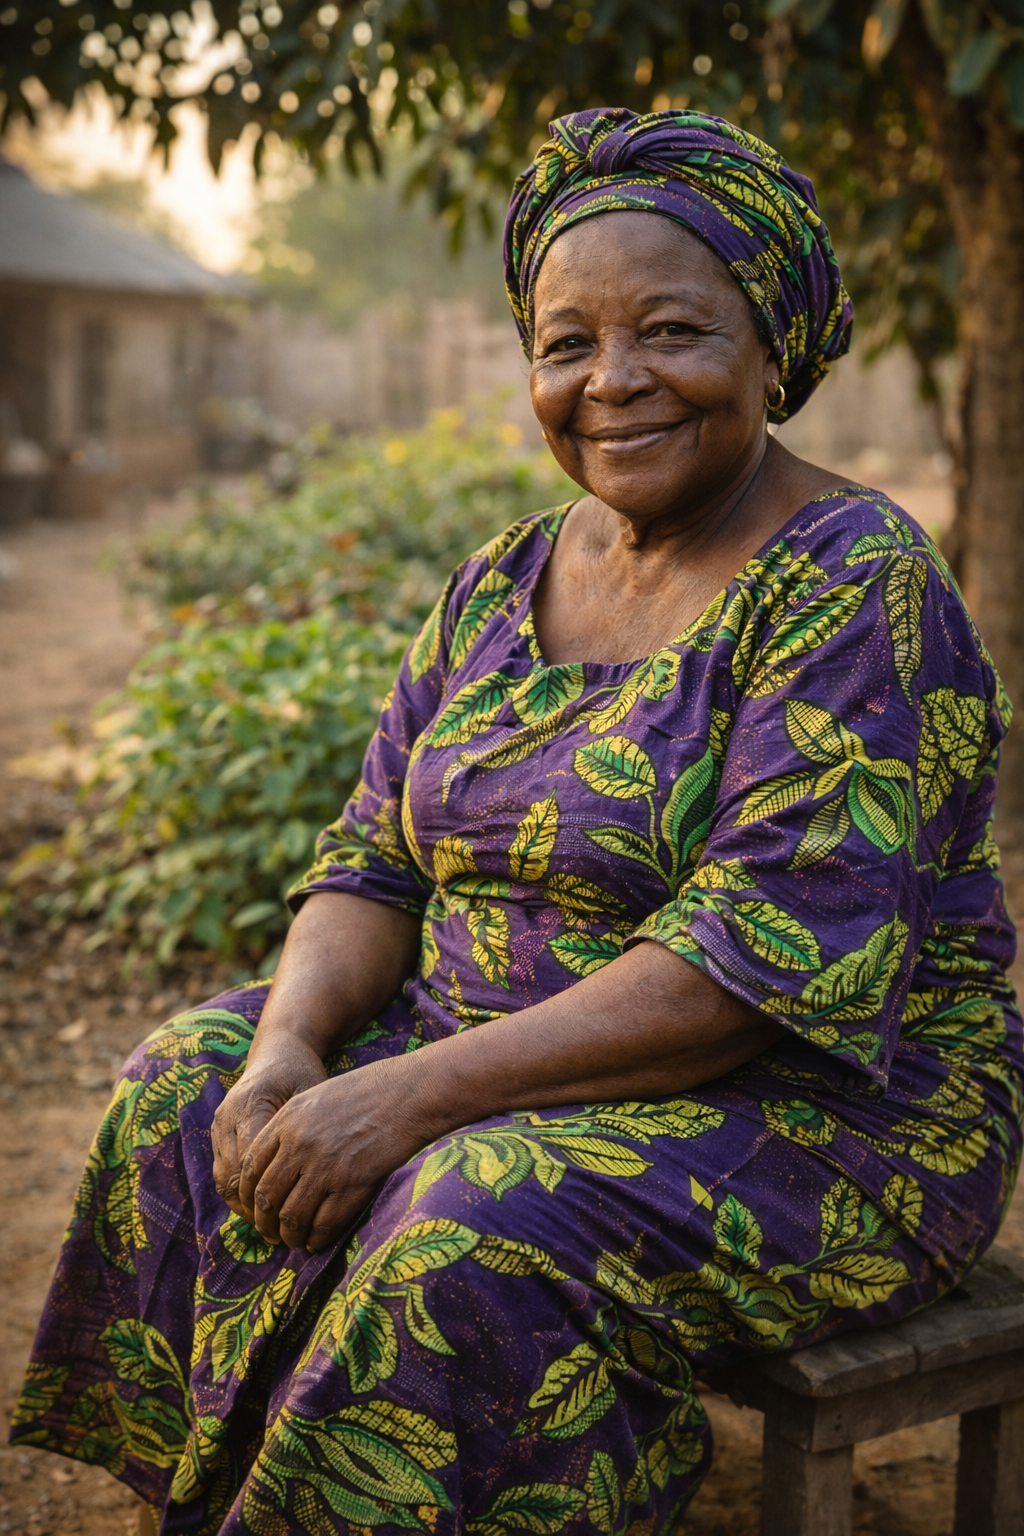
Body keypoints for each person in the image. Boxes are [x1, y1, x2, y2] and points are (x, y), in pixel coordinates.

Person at [11, 109, 1022, 1535]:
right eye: (565, 344)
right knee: (194, 1082)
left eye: (672, 330)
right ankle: (238, 1494)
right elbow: (371, 859)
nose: (612, 381)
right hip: (492, 1045)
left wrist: (405, 1095)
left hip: (820, 1120)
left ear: (769, 345)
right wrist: (298, 1052)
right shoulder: (502, 580)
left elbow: (749, 976)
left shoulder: (855, 582)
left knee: (469, 1204)